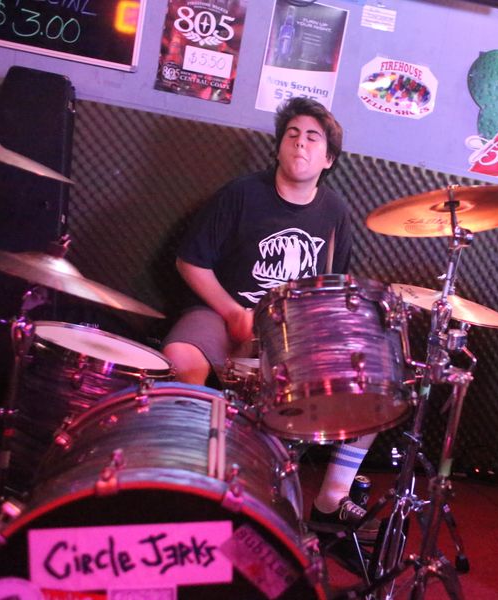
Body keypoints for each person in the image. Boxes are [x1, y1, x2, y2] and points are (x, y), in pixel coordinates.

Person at [162, 97, 378, 553]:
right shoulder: (242, 194)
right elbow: (189, 262)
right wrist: (231, 312)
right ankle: (181, 478)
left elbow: (330, 288)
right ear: (278, 146)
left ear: (328, 159)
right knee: (181, 359)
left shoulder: (335, 213)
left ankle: (330, 498)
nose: (300, 143)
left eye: (312, 138)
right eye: (292, 134)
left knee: (370, 379)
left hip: (289, 331)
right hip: (224, 311)